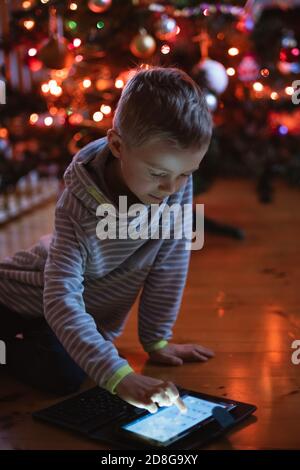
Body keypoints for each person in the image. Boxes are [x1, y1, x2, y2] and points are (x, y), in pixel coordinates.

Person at [0, 66, 214, 414]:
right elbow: (60, 297)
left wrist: (156, 340)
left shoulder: (172, 184)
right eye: (158, 174)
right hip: (20, 294)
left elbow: (171, 258)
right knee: (69, 371)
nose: (172, 188)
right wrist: (120, 377)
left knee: (66, 374)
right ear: (117, 145)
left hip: (77, 317)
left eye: (186, 174)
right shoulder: (77, 205)